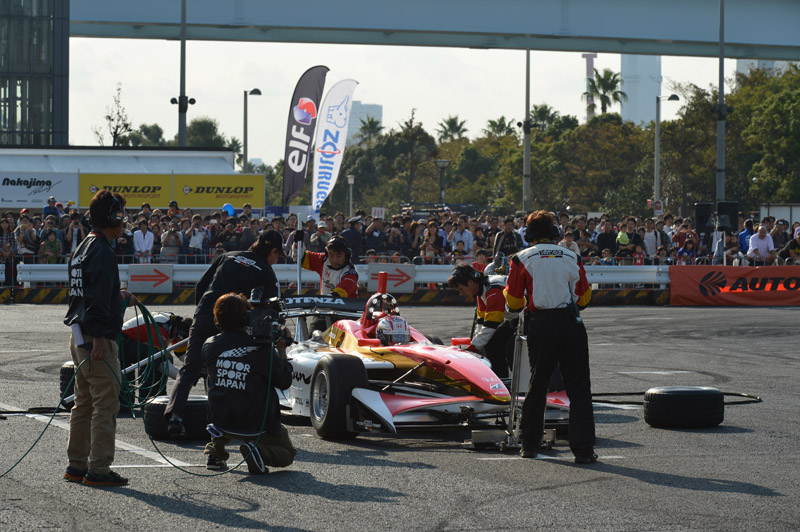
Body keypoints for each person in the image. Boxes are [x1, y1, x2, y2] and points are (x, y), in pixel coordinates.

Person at [164, 230, 286, 437]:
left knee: (190, 368)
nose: (277, 260)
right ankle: (233, 421)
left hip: (205, 314)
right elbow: (271, 309)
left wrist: (203, 312)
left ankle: (174, 416)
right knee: (237, 369)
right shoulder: (266, 271)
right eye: (278, 255)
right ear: (273, 251)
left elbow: (201, 285)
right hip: (234, 327)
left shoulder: (228, 256)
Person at [504, 210, 596, 464]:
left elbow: (514, 301)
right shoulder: (572, 256)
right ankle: (584, 450)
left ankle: (529, 445)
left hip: (541, 324)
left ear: (528, 233)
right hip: (571, 324)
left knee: (538, 385)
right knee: (579, 388)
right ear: (555, 232)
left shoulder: (521, 258)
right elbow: (584, 299)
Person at [63, 190, 138, 487]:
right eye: (121, 214)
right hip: (96, 340)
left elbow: (88, 291)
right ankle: (99, 470)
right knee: (105, 404)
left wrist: (116, 294)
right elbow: (94, 297)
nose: (124, 220)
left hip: (78, 336)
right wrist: (98, 338)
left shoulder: (84, 245)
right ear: (113, 216)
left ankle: (76, 465)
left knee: (83, 403)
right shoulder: (104, 251)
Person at [202, 293, 296, 473]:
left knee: (227, 395)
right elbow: (285, 381)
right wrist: (281, 350)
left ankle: (215, 454)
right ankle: (257, 451)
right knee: (287, 453)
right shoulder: (261, 349)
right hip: (256, 425)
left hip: (220, 421)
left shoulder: (209, 345)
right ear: (246, 317)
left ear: (217, 318)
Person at [447, 264, 516, 378]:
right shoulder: (482, 291)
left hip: (531, 315)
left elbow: (491, 325)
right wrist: (474, 345)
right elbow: (481, 323)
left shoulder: (493, 290)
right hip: (517, 318)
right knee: (492, 343)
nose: (461, 293)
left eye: (460, 289)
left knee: (512, 348)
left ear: (470, 282)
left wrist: (473, 348)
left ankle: (517, 384)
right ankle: (500, 380)